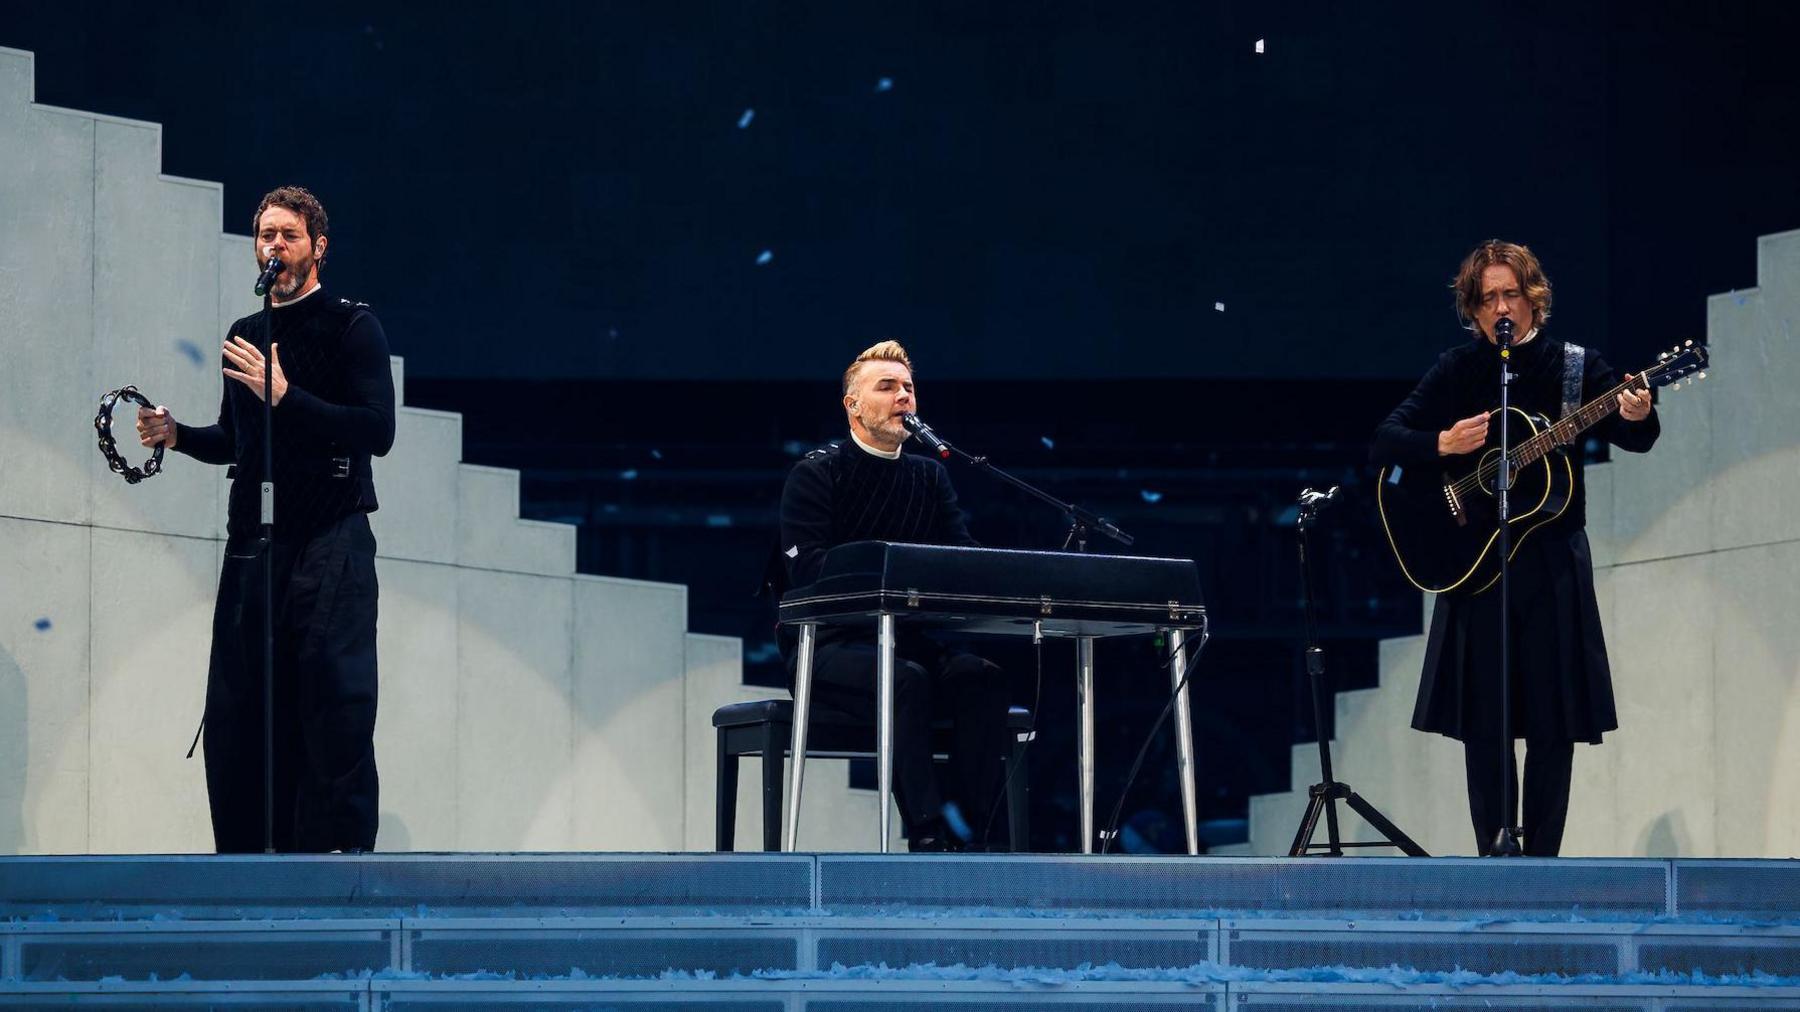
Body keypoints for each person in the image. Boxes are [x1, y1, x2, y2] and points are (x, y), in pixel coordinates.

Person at [1371, 240, 1658, 857]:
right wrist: (1443, 444)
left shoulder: (1576, 367)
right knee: (1486, 723)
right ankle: (1491, 858)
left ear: (1534, 299)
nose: (1502, 307)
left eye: (1511, 294)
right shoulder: (1458, 369)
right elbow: (1386, 439)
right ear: (1473, 311)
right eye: (1488, 298)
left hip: (1552, 562)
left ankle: (1544, 865)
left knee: (1554, 722)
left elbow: (1637, 438)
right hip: (1478, 568)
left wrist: (1635, 413)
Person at [136, 185, 395, 853]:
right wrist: (177, 435)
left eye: (289, 235)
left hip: (330, 537)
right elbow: (237, 438)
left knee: (329, 701)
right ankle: (249, 863)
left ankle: (332, 867)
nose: (274, 245)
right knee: (241, 707)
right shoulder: (246, 335)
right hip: (255, 544)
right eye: (266, 234)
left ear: (318, 249)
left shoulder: (351, 326)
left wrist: (285, 394)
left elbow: (376, 430)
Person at [776, 340, 1012, 851]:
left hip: (909, 639)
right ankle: (924, 832)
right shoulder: (818, 472)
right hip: (829, 646)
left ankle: (975, 831)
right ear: (852, 405)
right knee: (905, 681)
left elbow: (962, 560)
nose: (903, 396)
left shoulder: (930, 476)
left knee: (980, 676)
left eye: (908, 387)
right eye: (887, 387)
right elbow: (809, 571)